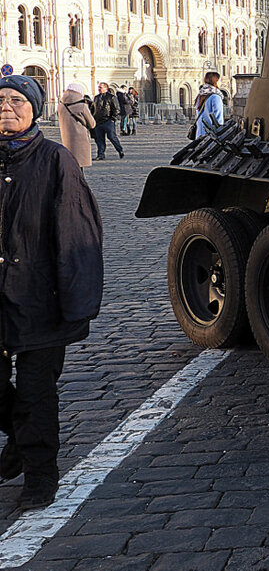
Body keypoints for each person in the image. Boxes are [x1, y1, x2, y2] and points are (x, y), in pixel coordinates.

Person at [0, 75, 103, 510]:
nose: (6, 106)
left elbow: (76, 231)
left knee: (37, 391)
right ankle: (23, 442)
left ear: (34, 108)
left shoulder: (55, 160)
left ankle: (41, 478)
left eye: (16, 100)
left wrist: (76, 303)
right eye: (0, 100)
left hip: (40, 298)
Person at [59, 82, 96, 171]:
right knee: (79, 165)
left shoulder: (61, 105)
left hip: (66, 137)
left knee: (71, 162)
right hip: (80, 138)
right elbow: (92, 124)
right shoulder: (82, 106)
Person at [91, 82, 123, 160]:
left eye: (101, 87)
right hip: (98, 121)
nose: (99, 89)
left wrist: (113, 119)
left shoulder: (111, 97)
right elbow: (93, 108)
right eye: (99, 87)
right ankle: (101, 154)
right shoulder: (96, 97)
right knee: (99, 139)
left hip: (108, 120)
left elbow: (117, 108)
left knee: (112, 137)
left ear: (106, 88)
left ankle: (120, 150)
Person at [194, 72, 225, 138]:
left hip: (200, 134)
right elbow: (218, 120)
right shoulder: (215, 97)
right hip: (211, 137)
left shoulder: (200, 95)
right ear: (216, 81)